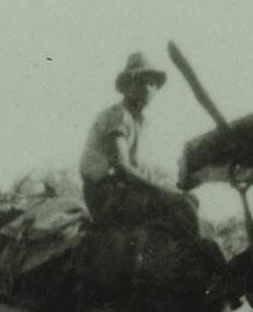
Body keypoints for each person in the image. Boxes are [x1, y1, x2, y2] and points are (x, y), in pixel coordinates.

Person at [79, 52, 198, 233]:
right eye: (141, 82)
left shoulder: (140, 123)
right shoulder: (117, 115)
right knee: (182, 209)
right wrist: (167, 193)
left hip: (126, 192)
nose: (148, 88)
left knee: (189, 202)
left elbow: (143, 171)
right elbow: (122, 168)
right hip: (106, 196)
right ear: (127, 86)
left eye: (152, 83)